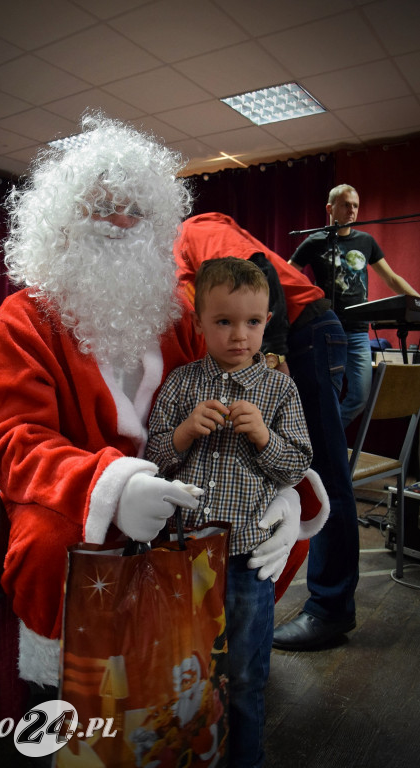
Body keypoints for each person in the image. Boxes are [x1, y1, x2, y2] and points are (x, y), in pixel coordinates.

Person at [0, 116, 325, 697]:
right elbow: (14, 439)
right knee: (49, 543)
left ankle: (205, 678)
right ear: (59, 221)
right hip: (71, 491)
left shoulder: (179, 316)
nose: (119, 222)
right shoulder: (22, 318)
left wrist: (286, 489)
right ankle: (70, 699)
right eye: (100, 207)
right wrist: (112, 486)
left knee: (266, 524)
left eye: (135, 210)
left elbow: (238, 392)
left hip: (188, 481)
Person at [146, 256, 313, 768]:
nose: (239, 336)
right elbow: (150, 459)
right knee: (181, 668)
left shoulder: (281, 389)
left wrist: (264, 436)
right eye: (223, 321)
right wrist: (182, 434)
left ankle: (245, 758)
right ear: (198, 324)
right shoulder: (180, 384)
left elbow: (297, 466)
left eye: (253, 322)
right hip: (182, 558)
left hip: (245, 561)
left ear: (267, 322)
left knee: (244, 674)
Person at [174, 212, 360, 651]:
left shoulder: (191, 230)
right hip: (303, 332)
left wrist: (271, 356)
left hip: (303, 332)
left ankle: (330, 609)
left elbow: (255, 268)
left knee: (323, 472)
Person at [289, 183, 420, 428]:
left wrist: (417, 301)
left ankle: (323, 440)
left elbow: (391, 278)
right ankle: (326, 447)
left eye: (356, 206)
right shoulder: (314, 241)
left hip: (358, 331)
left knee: (359, 397)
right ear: (330, 208)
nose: (352, 210)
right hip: (327, 329)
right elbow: (286, 274)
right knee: (325, 396)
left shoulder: (365, 241)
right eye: (346, 205)